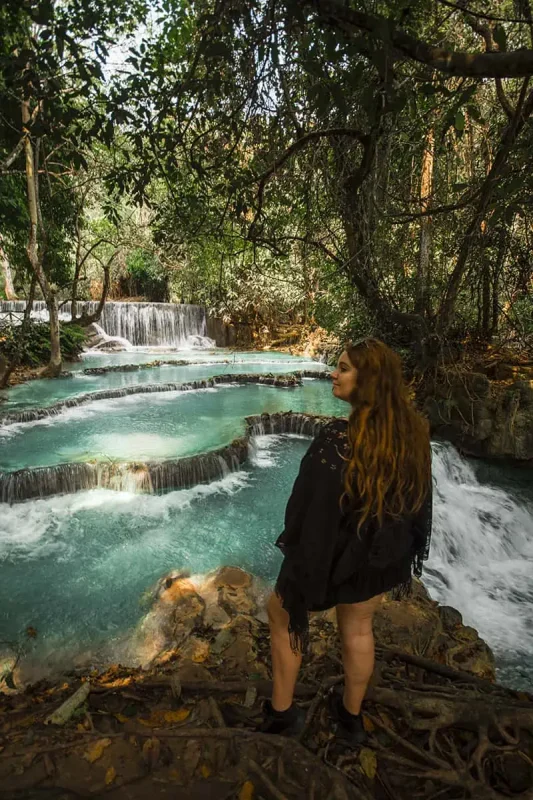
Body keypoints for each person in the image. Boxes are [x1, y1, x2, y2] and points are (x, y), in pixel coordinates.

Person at [261, 338, 433, 744]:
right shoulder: (412, 436)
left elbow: (308, 510)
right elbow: (417, 506)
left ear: (368, 380)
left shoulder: (337, 439)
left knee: (281, 615)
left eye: (343, 368)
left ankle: (281, 713)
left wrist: (301, 563)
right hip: (377, 561)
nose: (333, 374)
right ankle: (350, 716)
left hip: (333, 558)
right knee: (358, 627)